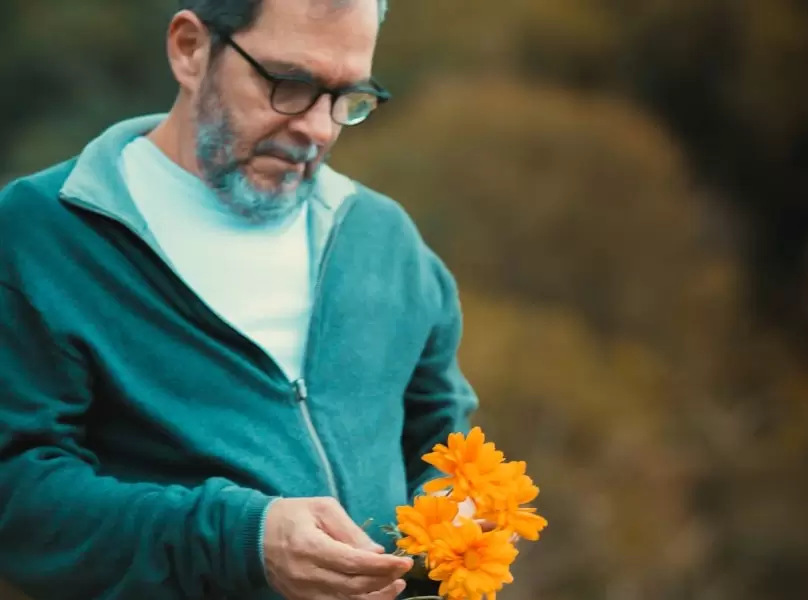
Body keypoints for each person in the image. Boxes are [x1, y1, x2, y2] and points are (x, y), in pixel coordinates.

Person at [0, 0, 479, 598]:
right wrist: (242, 541)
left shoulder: (383, 239)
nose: (319, 129)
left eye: (347, 98)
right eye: (291, 84)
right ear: (191, 50)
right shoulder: (40, 234)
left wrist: (454, 525)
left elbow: (439, 438)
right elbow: (17, 495)